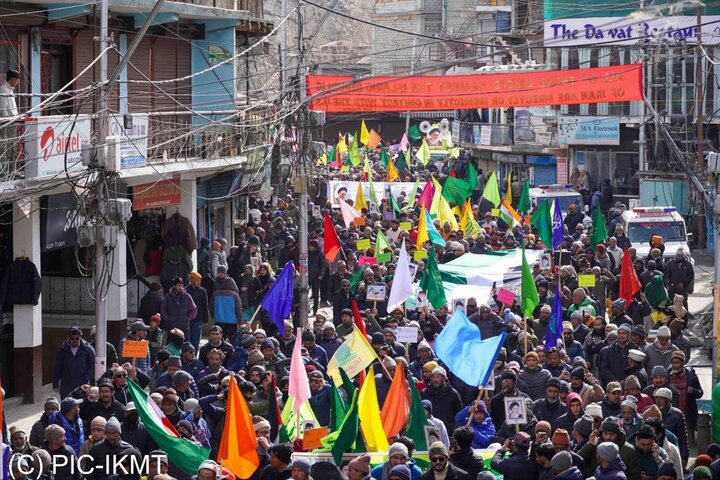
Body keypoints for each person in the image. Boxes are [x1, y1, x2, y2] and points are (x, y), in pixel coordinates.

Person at [53, 326, 96, 399]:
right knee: (66, 405)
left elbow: (93, 364)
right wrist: (55, 383)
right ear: (69, 338)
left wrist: (87, 377)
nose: (74, 340)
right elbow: (58, 367)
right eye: (72, 338)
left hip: (82, 383)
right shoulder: (63, 351)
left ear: (80, 337)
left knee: (82, 405)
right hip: (66, 384)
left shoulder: (87, 349)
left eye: (77, 338)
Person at [421, 366, 462, 436]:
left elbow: (459, 412)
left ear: (443, 378)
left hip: (448, 430)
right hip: (429, 429)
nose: (435, 380)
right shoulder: (424, 393)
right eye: (433, 377)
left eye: (438, 377)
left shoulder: (452, 393)